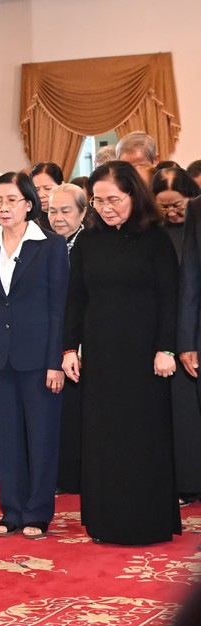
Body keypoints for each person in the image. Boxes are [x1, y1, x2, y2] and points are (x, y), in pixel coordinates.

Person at [63, 160, 180, 545]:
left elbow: (170, 298)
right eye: (98, 201)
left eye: (113, 199)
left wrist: (166, 348)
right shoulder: (88, 241)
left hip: (145, 355)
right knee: (104, 438)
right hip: (101, 353)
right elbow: (75, 299)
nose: (105, 207)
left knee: (143, 436)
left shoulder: (156, 239)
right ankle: (106, 521)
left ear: (134, 195)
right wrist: (68, 348)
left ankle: (146, 522)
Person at [0, 172, 68, 539]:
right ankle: (11, 510)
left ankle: (37, 512)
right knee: (5, 438)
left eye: (11, 200)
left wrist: (55, 361)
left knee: (41, 437)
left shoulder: (51, 245)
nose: (3, 207)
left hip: (39, 357)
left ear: (28, 203)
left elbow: (59, 307)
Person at [152, 168, 201, 506]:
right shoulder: (156, 235)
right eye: (164, 207)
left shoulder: (193, 223)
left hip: (188, 328)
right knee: (182, 415)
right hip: (178, 333)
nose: (172, 212)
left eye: (177, 205)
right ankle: (187, 481)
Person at [46, 183, 89, 495]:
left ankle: (78, 476)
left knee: (76, 411)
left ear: (83, 212)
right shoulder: (41, 243)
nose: (58, 217)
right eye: (52, 211)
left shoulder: (90, 243)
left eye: (65, 211)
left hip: (80, 338)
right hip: (46, 337)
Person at [30, 162, 65, 230]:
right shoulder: (30, 222)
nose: (41, 195)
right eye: (36, 190)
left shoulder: (75, 213)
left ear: (62, 186)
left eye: (47, 188)